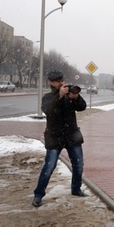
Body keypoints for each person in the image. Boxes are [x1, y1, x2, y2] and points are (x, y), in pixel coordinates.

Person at [32, 70, 88, 207]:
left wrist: (76, 97)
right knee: (49, 166)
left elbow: (82, 107)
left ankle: (76, 189)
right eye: (57, 81)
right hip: (54, 137)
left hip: (72, 136)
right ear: (51, 82)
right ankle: (38, 194)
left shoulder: (69, 95)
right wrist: (59, 96)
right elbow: (49, 110)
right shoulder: (47, 97)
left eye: (62, 80)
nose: (61, 83)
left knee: (78, 165)